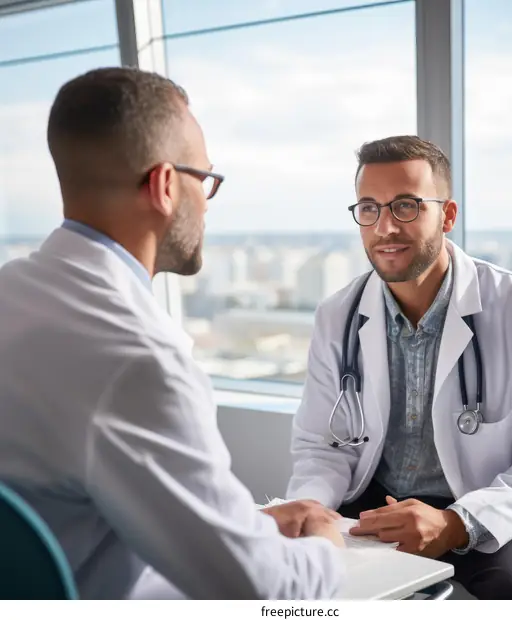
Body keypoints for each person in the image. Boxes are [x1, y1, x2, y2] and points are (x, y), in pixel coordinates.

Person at [0, 67, 346, 600]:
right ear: (164, 186)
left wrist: (246, 526)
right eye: (204, 180)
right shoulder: (137, 363)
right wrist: (326, 543)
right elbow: (267, 594)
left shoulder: (12, 294)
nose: (206, 202)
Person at [285, 135, 512, 600]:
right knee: (300, 583)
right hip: (375, 502)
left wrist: (458, 523)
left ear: (447, 216)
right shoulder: (338, 314)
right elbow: (322, 446)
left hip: (493, 505)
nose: (385, 227)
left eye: (406, 206)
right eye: (369, 208)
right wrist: (310, 506)